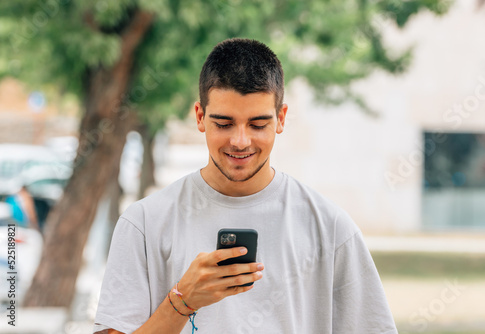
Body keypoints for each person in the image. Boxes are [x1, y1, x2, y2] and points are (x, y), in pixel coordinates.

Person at [93, 38, 397, 334]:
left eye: (258, 124)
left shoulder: (330, 227)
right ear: (200, 117)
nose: (240, 141)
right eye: (224, 123)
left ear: (281, 118)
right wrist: (182, 301)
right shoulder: (145, 223)